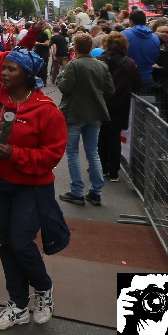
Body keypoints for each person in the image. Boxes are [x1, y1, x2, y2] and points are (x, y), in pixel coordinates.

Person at [0, 49, 67, 331]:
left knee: (21, 242)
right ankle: (18, 305)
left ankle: (44, 289)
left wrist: (14, 153)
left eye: (11, 69)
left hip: (32, 187)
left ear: (27, 75)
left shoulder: (46, 110)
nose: (4, 73)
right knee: (7, 243)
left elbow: (51, 155)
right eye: (4, 68)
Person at [56, 33, 114, 206]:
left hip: (75, 113)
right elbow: (110, 90)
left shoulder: (74, 65)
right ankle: (96, 191)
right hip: (95, 113)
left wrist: (60, 76)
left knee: (73, 152)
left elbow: (65, 87)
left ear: (75, 48)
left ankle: (77, 191)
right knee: (92, 152)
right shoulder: (101, 65)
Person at [97, 31, 140, 182]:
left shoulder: (99, 61)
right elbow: (137, 84)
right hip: (121, 104)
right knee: (115, 137)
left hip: (102, 103)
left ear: (106, 44)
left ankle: (102, 167)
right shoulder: (130, 63)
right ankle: (114, 171)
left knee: (102, 135)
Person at [122, 10, 161, 91]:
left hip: (128, 77)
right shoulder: (155, 37)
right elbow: (156, 56)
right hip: (147, 76)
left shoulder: (123, 35)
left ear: (131, 21)